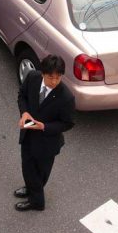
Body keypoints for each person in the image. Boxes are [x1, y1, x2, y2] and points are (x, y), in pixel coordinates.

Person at [14, 54, 75, 211]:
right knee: (27, 166)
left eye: (58, 77)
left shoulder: (66, 97)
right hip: (28, 134)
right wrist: (24, 113)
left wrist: (44, 127)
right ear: (42, 73)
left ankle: (37, 202)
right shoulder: (32, 77)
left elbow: (68, 123)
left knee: (40, 173)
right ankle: (30, 188)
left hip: (47, 142)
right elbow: (22, 95)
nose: (54, 82)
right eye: (50, 77)